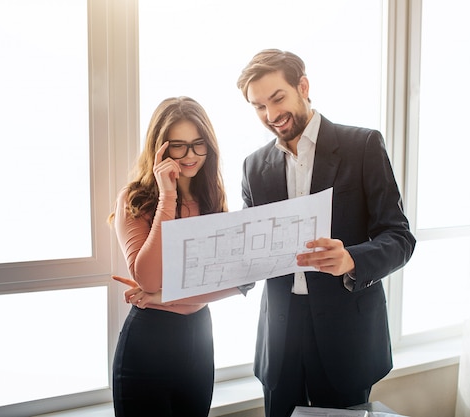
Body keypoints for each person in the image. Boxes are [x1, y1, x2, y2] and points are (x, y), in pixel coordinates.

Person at [236, 49, 416, 417]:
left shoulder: (363, 146)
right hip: (280, 338)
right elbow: (246, 251)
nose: (271, 116)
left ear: (303, 86)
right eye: (258, 106)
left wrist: (352, 258)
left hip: (346, 336)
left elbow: (399, 237)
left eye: (277, 98)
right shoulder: (254, 167)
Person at [108, 96, 248, 417]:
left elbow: (236, 282)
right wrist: (167, 196)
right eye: (179, 146)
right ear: (160, 149)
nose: (190, 156)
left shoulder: (211, 197)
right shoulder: (134, 199)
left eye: (199, 144)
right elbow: (148, 278)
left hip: (199, 339)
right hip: (148, 343)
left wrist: (163, 295)